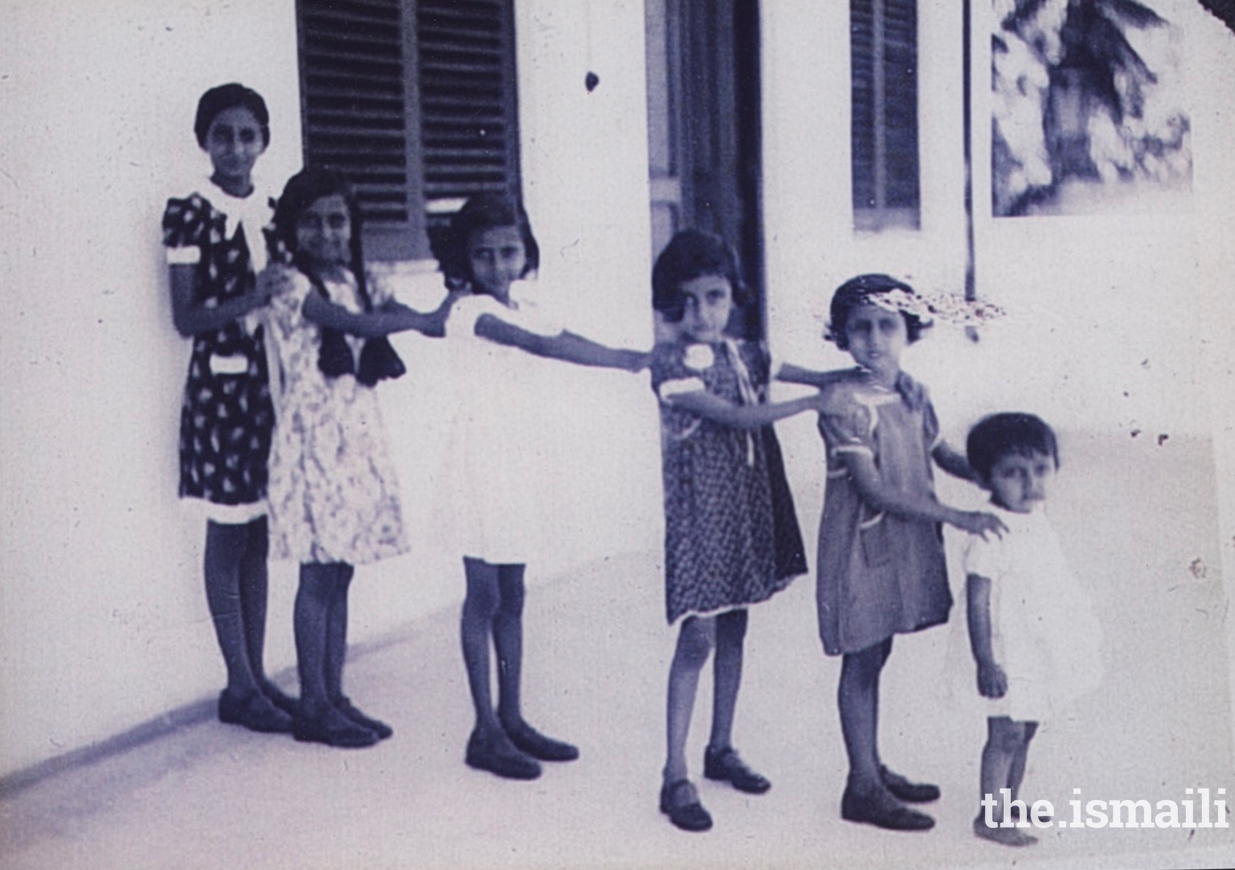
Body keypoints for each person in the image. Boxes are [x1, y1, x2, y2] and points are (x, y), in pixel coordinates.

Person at [435, 193, 648, 780]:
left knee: (514, 592)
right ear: (465, 259)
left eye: (509, 252)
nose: (499, 265)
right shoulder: (466, 310)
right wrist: (630, 360)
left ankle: (513, 716)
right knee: (482, 595)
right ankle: (484, 730)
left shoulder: (526, 298)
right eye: (484, 255)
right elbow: (542, 345)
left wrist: (631, 357)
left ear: (525, 250)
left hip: (518, 462)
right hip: (480, 464)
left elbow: (561, 332)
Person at [648, 230, 833, 832]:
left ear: (734, 295)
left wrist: (855, 377)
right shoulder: (671, 366)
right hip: (702, 516)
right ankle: (674, 774)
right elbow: (734, 417)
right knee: (697, 638)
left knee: (735, 626)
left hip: (746, 509)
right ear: (670, 303)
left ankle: (720, 747)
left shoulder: (748, 353)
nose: (703, 312)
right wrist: (808, 408)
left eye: (716, 296)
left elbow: (812, 374)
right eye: (690, 300)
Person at [266, 168, 456, 748]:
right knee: (318, 573)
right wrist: (422, 321)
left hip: (355, 439)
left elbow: (382, 306)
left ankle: (335, 693)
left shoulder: (359, 276)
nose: (327, 232)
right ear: (293, 229)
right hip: (312, 445)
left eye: (338, 220)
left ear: (353, 227)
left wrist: (448, 294)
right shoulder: (290, 285)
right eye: (314, 221)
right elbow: (358, 323)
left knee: (341, 570)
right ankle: (312, 705)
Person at [814, 274, 1006, 831]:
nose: (875, 340)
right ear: (842, 336)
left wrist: (991, 472)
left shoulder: (911, 392)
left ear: (909, 332)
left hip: (900, 543)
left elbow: (939, 451)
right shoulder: (843, 403)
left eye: (887, 326)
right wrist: (958, 515)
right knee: (860, 656)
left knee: (878, 652)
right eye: (861, 328)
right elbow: (873, 490)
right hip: (860, 544)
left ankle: (871, 766)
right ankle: (862, 786)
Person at [164, 83, 294, 734]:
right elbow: (186, 317)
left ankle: (258, 675)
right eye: (223, 135)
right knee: (226, 531)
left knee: (259, 534)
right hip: (221, 393)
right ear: (204, 141)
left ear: (263, 140)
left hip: (271, 387)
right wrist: (249, 298)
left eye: (248, 135)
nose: (237, 147)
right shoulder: (189, 213)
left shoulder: (276, 210)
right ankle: (237, 683)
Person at [963, 412, 1103, 846]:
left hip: (1040, 646)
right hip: (1008, 652)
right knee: (1004, 733)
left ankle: (1008, 800)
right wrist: (986, 660)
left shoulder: (1036, 516)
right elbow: (978, 600)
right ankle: (990, 817)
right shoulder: (989, 532)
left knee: (1027, 728)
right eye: (1012, 473)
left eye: (1040, 470)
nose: (1029, 484)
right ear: (988, 479)